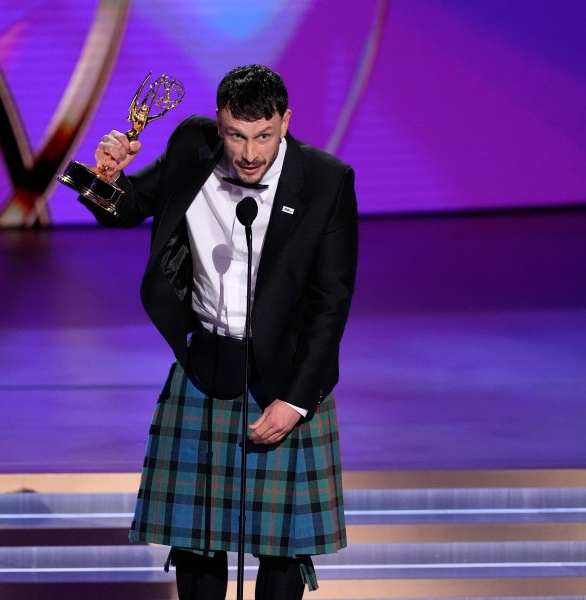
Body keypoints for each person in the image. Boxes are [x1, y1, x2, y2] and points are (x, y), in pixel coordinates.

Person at [81, 64, 358, 600]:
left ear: (285, 121)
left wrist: (296, 401)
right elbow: (130, 209)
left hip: (285, 376)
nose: (250, 154)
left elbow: (331, 306)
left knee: (281, 548)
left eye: (264, 136)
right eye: (236, 135)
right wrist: (105, 179)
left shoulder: (326, 181)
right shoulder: (192, 146)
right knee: (196, 541)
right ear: (218, 123)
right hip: (205, 368)